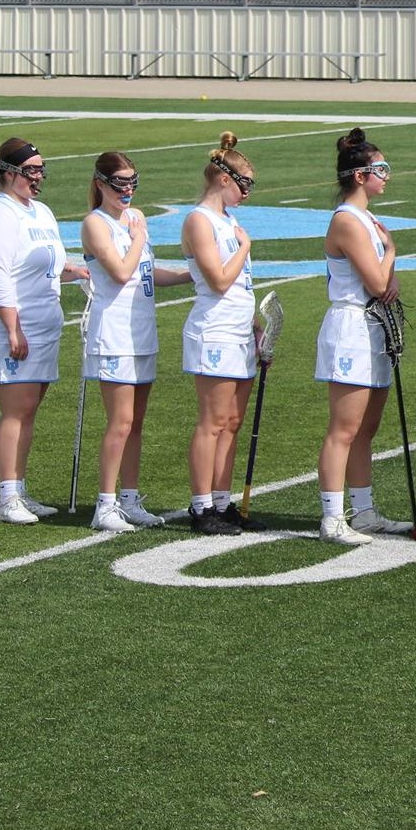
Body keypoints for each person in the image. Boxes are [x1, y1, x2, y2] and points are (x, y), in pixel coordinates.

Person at [0, 138, 89, 525]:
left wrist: (77, 272)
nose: (37, 177)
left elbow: (48, 263)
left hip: (43, 324)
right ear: (8, 173)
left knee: (28, 411)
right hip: (11, 326)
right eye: (30, 170)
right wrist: (12, 328)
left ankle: (19, 490)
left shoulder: (40, 212)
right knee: (16, 411)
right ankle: (7, 496)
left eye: (40, 169)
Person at [80, 153, 189, 533]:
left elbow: (145, 271)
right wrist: (138, 234)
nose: (126, 190)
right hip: (113, 333)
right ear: (100, 184)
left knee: (137, 423)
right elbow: (121, 271)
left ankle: (129, 498)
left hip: (142, 329)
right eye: (119, 183)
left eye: (131, 183)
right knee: (120, 422)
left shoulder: (132, 218)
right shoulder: (96, 224)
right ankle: (105, 505)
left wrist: (191, 275)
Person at [315, 130, 414, 547]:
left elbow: (385, 284)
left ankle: (365, 509)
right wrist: (391, 249)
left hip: (373, 326)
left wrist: (387, 266)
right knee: (344, 427)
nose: (386, 176)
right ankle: (332, 516)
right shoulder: (348, 221)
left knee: (367, 427)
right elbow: (376, 281)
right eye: (380, 170)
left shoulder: (367, 219)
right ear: (359, 176)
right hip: (351, 326)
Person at [181, 133, 264, 537]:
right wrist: (244, 248)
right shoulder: (200, 220)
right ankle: (200, 507)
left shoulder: (229, 221)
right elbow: (217, 280)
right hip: (212, 330)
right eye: (244, 183)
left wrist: (256, 323)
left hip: (238, 330)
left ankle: (220, 500)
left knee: (232, 421)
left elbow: (240, 283)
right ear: (223, 179)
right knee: (212, 422)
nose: (247, 192)